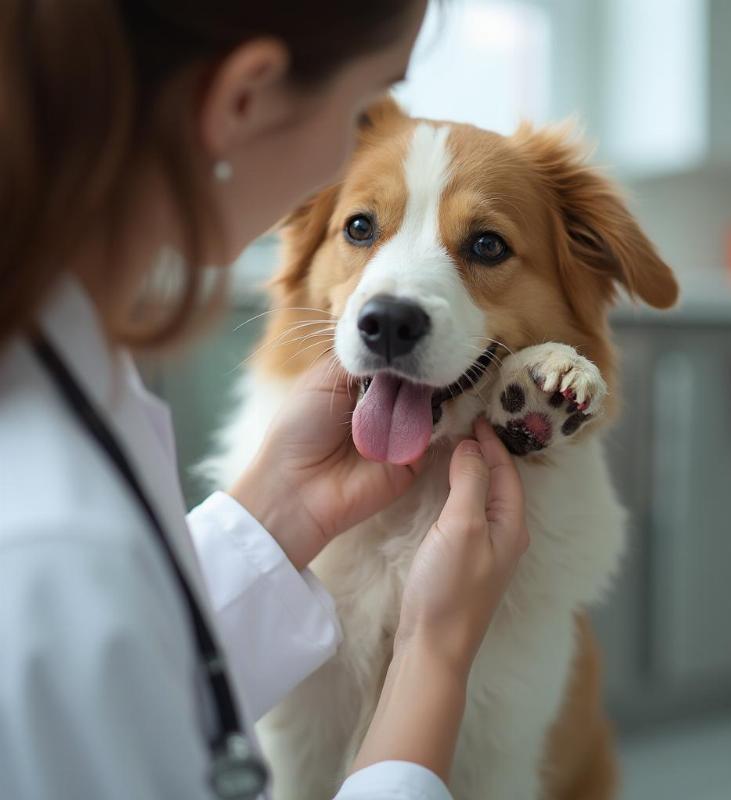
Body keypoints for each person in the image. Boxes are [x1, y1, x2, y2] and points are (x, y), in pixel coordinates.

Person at [0, 2, 530, 799]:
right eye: (367, 106)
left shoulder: (69, 371)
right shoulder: (56, 552)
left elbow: (141, 670)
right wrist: (434, 654)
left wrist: (278, 513)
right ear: (244, 99)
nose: (378, 139)